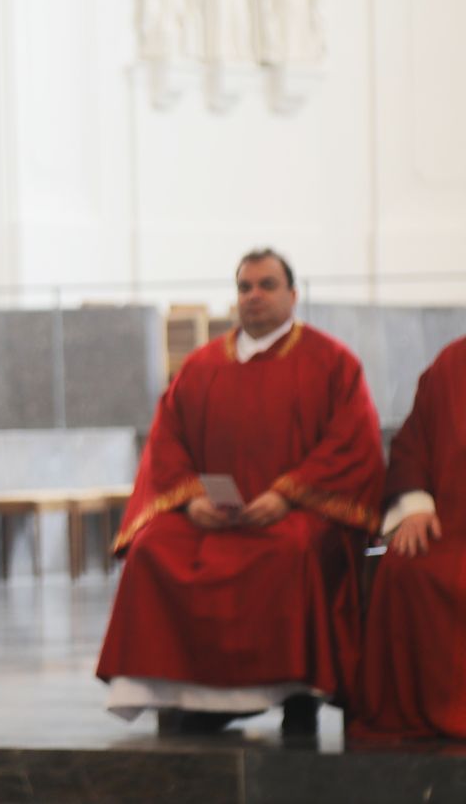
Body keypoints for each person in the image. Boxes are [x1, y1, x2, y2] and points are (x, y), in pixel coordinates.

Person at [96, 249, 385, 736]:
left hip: (293, 514)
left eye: (267, 285)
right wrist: (191, 500)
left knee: (294, 550)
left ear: (293, 295)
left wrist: (289, 495)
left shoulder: (332, 362)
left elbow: (352, 442)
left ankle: (296, 693)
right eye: (245, 287)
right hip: (211, 515)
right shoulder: (202, 365)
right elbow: (168, 442)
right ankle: (183, 693)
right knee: (153, 549)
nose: (254, 296)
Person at [351, 336, 466, 740]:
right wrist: (415, 504)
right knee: (404, 566)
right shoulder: (453, 361)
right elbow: (413, 442)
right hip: (453, 526)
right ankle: (411, 709)